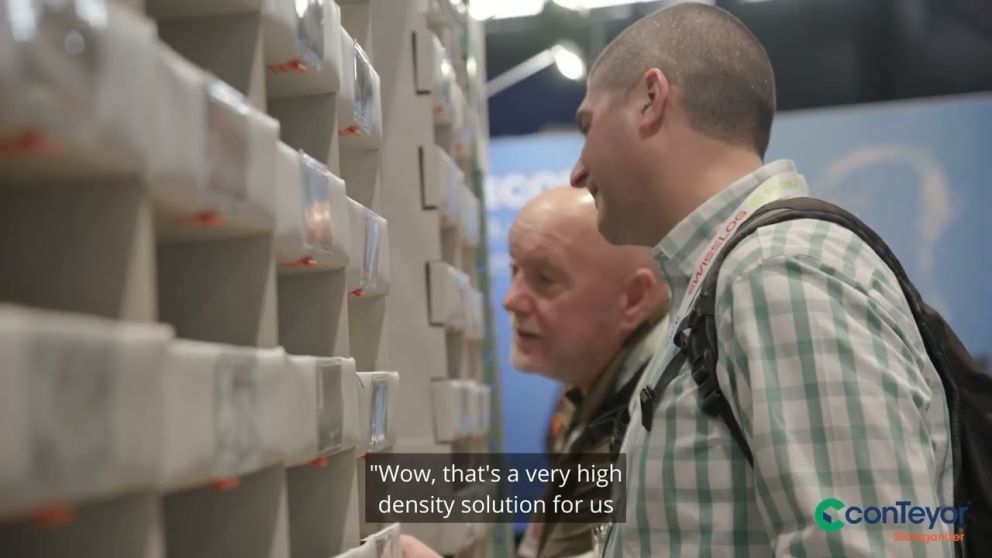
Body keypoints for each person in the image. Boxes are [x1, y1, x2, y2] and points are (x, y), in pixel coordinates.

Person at [568, 3, 954, 557]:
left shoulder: (779, 273)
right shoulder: (734, 278)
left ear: (650, 100)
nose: (577, 171)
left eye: (588, 126)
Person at [505, 186, 670, 558]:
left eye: (545, 278)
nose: (510, 299)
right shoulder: (599, 393)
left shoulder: (644, 425)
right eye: (515, 270)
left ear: (633, 299)